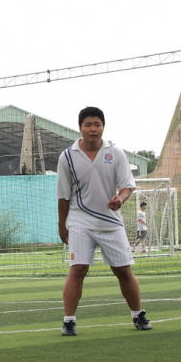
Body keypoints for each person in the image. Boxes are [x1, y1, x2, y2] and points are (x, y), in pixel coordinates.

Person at [56, 107, 152, 337]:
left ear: (103, 127)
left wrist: (120, 198)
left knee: (123, 271)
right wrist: (62, 225)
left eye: (97, 124)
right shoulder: (67, 156)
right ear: (80, 127)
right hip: (80, 221)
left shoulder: (115, 153)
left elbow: (127, 185)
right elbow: (63, 195)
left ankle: (138, 315)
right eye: (88, 124)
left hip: (111, 222)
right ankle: (69, 321)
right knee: (78, 269)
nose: (93, 129)